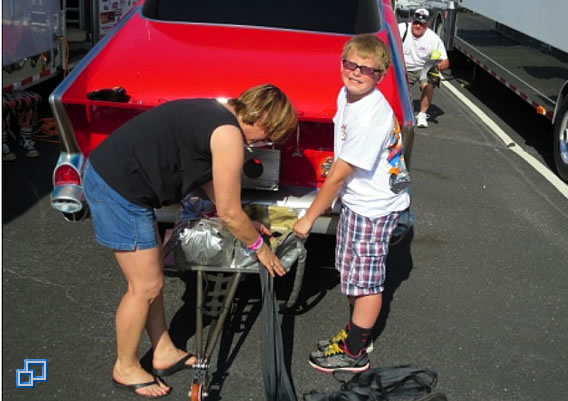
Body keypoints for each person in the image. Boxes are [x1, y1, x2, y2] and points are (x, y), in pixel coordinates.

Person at [83, 83, 297, 398]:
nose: (264, 144)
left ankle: (164, 350)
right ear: (263, 119)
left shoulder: (216, 113)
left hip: (121, 180)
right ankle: (124, 367)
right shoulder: (228, 136)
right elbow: (229, 211)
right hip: (119, 189)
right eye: (268, 136)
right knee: (144, 287)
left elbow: (210, 178)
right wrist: (259, 249)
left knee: (152, 280)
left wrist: (246, 222)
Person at [293, 35, 411, 373]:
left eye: (367, 69)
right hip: (360, 202)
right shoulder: (347, 95)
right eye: (351, 64)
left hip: (373, 208)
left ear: (381, 76)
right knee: (352, 274)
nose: (357, 73)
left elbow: (339, 175)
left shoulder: (370, 114)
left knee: (366, 282)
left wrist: (308, 218)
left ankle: (355, 352)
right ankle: (357, 332)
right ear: (342, 63)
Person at [398, 8, 449, 128]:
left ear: (427, 25)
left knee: (431, 81)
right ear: (412, 20)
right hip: (403, 67)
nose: (417, 26)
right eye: (415, 22)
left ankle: (422, 114)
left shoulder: (433, 39)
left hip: (423, 68)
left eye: (421, 23)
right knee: (401, 92)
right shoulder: (402, 29)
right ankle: (398, 110)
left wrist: (435, 68)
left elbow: (446, 62)